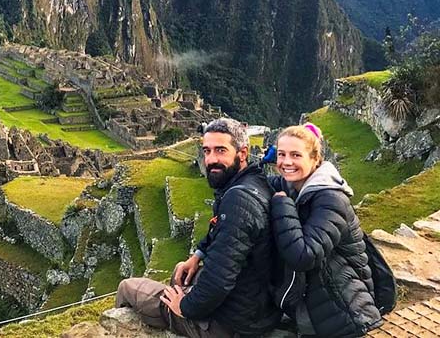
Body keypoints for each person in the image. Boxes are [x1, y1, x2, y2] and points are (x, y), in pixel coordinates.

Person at [115, 118, 280, 337]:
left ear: (242, 153)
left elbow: (219, 280)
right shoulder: (255, 182)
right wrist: (198, 255)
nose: (211, 159)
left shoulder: (238, 201)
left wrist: (184, 307)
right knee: (179, 273)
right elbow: (224, 234)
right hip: (257, 304)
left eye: (220, 150)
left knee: (127, 288)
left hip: (231, 324)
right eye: (207, 151)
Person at [269, 124, 382, 337]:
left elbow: (304, 256)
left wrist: (282, 206)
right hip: (319, 304)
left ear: (314, 159)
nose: (286, 162)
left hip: (344, 310)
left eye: (296, 155)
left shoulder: (331, 199)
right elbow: (259, 182)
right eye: (281, 154)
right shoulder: (295, 187)